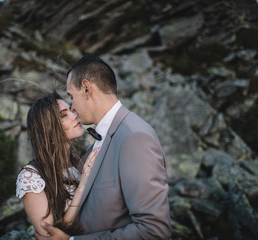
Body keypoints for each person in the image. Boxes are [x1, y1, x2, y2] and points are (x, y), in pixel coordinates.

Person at [36, 55, 172, 239]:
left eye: (71, 96)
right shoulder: (101, 140)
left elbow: (154, 232)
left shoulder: (135, 138)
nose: (72, 108)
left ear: (86, 88)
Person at [16, 91, 100, 237]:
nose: (75, 115)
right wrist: (83, 185)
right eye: (64, 115)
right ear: (48, 130)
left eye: (71, 110)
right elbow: (51, 235)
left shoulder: (83, 160)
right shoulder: (30, 178)